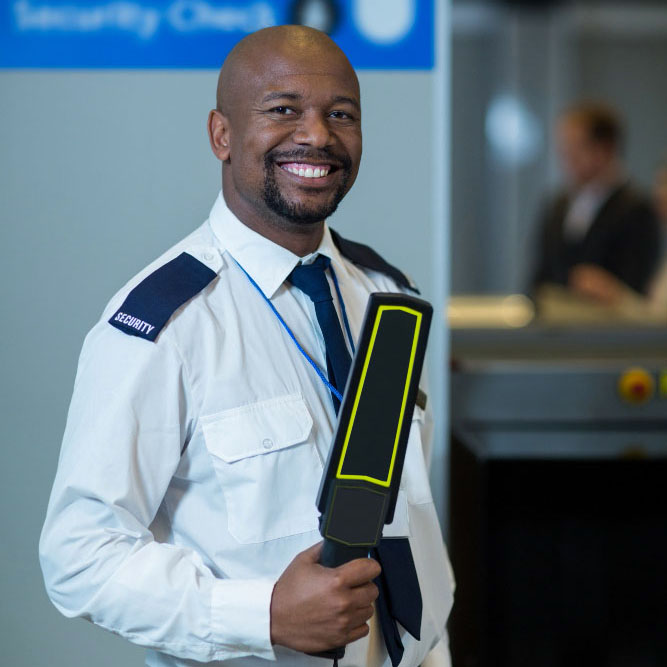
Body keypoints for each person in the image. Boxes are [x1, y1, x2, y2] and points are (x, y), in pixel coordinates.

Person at [39, 25, 454, 667]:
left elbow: (410, 523)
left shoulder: (387, 296)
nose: (317, 135)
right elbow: (78, 557)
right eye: (283, 109)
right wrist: (264, 614)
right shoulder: (165, 326)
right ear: (222, 135)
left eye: (341, 114)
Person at [531, 101, 661, 300]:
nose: (565, 156)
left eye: (575, 147)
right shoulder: (558, 205)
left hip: (609, 319)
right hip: (556, 317)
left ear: (605, 148)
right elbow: (539, 277)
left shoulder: (637, 209)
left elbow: (638, 285)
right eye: (564, 147)